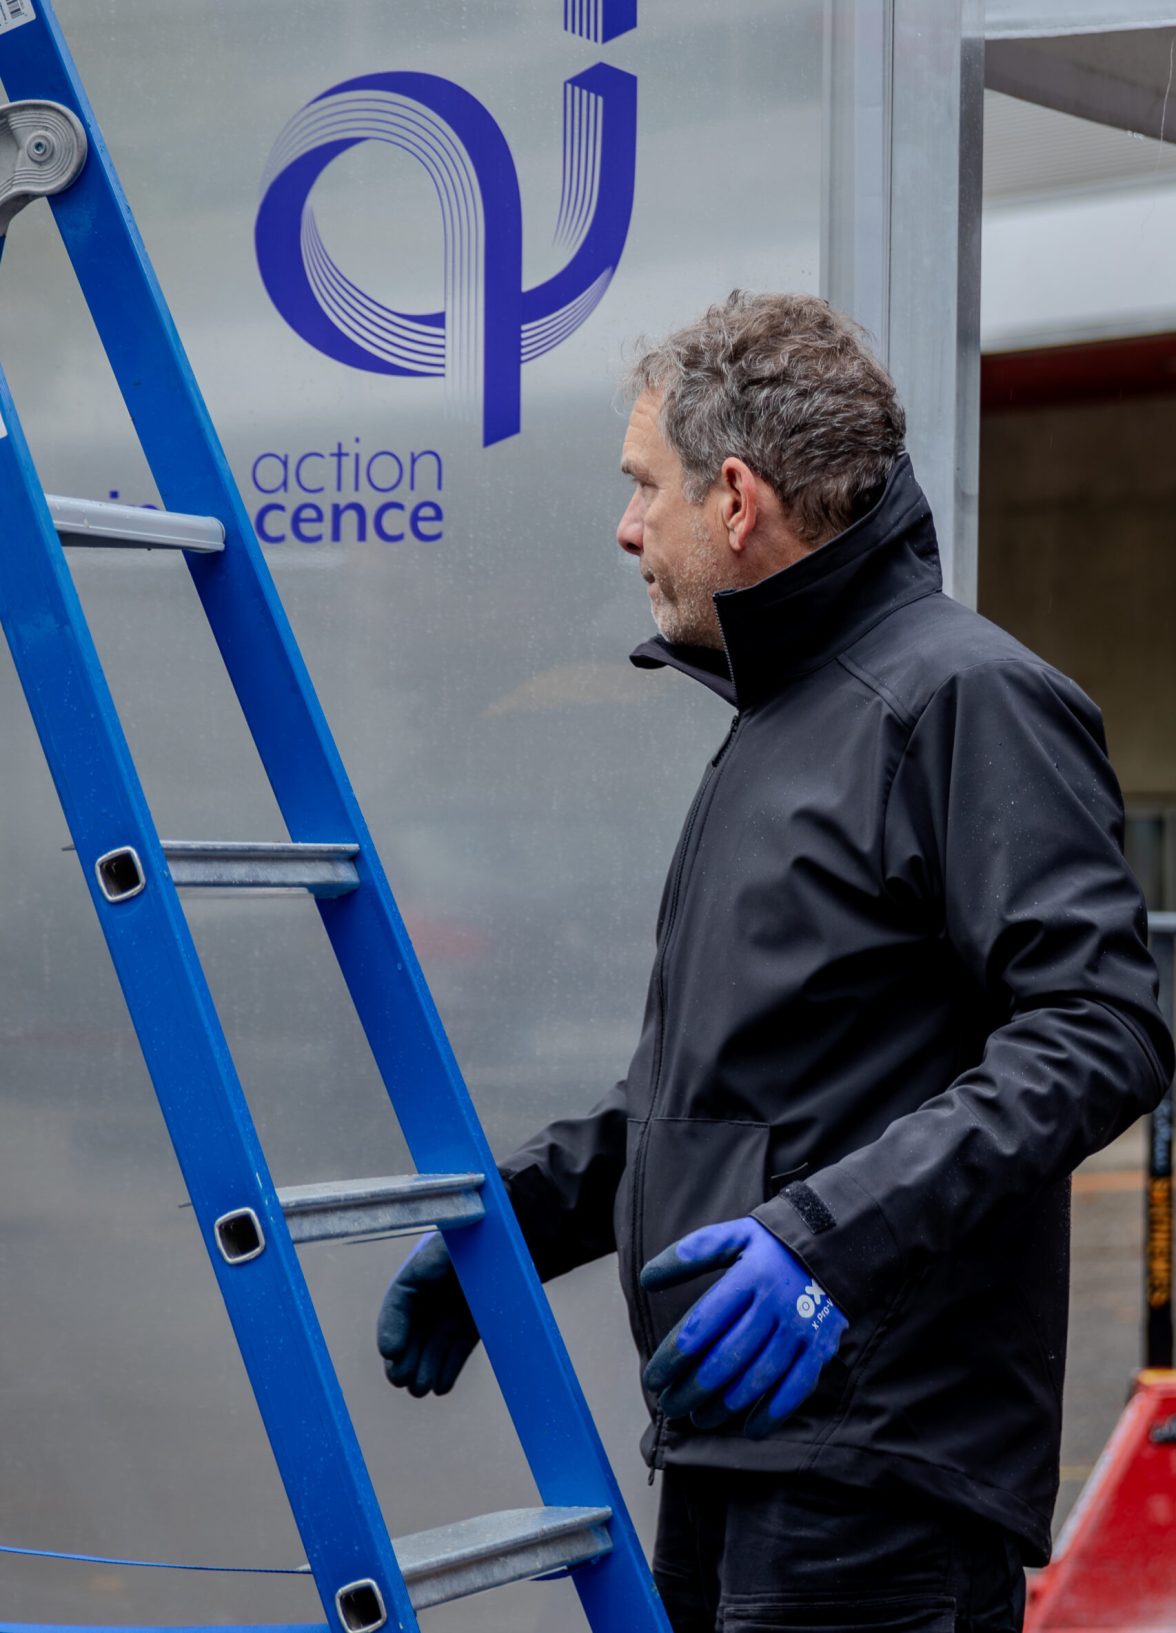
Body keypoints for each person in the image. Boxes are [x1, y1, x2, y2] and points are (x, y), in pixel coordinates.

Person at [376, 292, 1174, 1632]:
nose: (629, 528)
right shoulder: (785, 718)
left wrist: (828, 1246)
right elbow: (740, 1093)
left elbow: (1102, 1028)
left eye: (645, 488)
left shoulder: (957, 699)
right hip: (734, 1449)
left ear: (734, 497)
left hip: (875, 1492)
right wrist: (528, 1214)